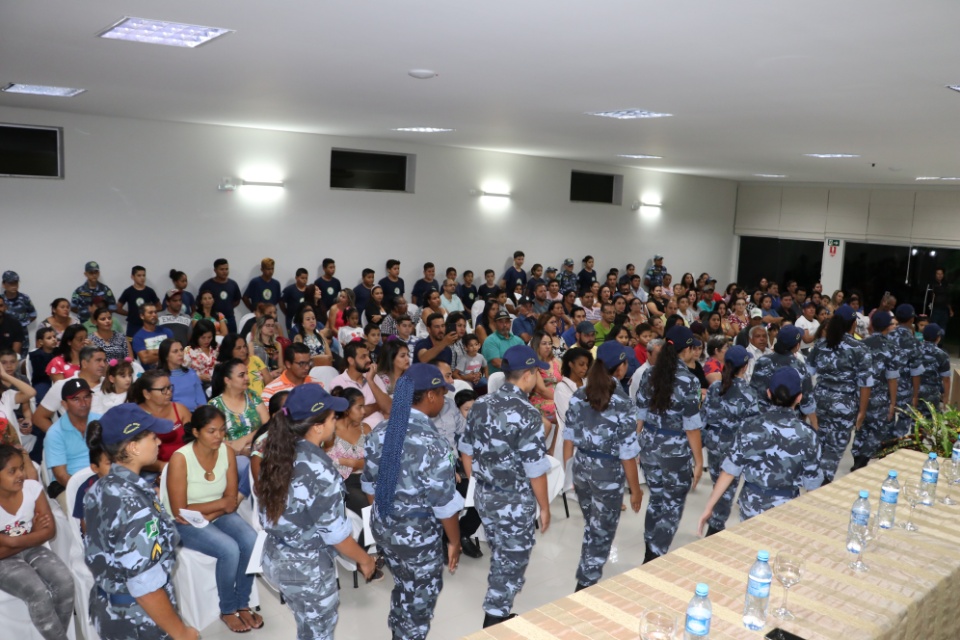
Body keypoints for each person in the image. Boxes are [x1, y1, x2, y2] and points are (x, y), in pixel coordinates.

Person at [362, 364, 463, 640]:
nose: (444, 399)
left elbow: (370, 484)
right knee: (420, 600)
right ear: (430, 395)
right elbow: (444, 504)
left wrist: (387, 519)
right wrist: (453, 541)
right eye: (443, 393)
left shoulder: (381, 431)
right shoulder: (434, 443)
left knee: (404, 586)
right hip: (417, 537)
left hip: (384, 526)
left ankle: (399, 630)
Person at [83, 403, 199, 640]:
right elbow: (144, 585)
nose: (159, 442)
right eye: (154, 437)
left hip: (112, 609)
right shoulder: (133, 504)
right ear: (133, 447)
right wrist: (181, 632)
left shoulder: (103, 486)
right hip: (139, 619)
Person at [459, 345, 550, 628]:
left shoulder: (481, 403)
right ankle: (494, 621)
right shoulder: (528, 414)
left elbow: (465, 449)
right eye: (537, 373)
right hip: (514, 501)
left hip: (485, 495)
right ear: (529, 375)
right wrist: (545, 507)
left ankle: (500, 611)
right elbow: (535, 470)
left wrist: (482, 479)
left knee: (501, 553)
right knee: (511, 561)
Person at [163, 405, 261, 633]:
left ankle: (242, 603)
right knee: (229, 549)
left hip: (214, 515)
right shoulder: (181, 459)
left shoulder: (226, 452)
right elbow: (180, 510)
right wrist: (219, 506)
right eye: (211, 431)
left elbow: (231, 499)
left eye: (222, 430)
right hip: (182, 523)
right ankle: (227, 609)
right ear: (196, 432)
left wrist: (210, 513)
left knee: (251, 540)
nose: (219, 436)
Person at [696, 368, 823, 533]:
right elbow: (812, 484)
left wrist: (709, 507)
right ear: (799, 398)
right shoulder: (808, 435)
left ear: (769, 393)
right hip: (786, 507)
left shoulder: (749, 427)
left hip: (751, 505)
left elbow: (729, 471)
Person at [564, 341, 643, 591]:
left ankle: (587, 567)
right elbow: (627, 454)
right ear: (620, 367)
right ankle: (585, 585)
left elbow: (569, 436)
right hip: (606, 474)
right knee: (601, 531)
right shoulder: (622, 403)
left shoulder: (579, 394)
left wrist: (571, 473)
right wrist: (636, 490)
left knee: (593, 524)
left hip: (582, 469)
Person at [636, 325, 704, 563]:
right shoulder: (689, 381)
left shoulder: (649, 373)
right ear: (685, 350)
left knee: (656, 497)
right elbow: (691, 426)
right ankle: (655, 556)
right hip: (674, 450)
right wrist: (698, 460)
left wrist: (637, 445)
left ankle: (649, 547)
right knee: (673, 502)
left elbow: (640, 414)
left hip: (649, 445)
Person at [0, 443, 75, 640]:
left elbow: (49, 531)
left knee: (64, 581)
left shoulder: (32, 489)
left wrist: (12, 542)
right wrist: (32, 533)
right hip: (5, 561)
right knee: (37, 592)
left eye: (22, 467)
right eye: (12, 471)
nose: (21, 475)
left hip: (30, 549)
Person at [808, 305, 873, 484]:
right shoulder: (859, 348)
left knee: (818, 443)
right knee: (834, 450)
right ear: (853, 324)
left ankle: (812, 479)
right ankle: (822, 483)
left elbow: (808, 373)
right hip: (844, 406)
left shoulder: (821, 344)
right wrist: (862, 412)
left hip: (820, 401)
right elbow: (865, 384)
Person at [699, 345, 759, 536]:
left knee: (718, 482)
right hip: (733, 447)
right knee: (727, 488)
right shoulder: (749, 393)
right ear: (745, 366)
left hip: (713, 443)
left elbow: (704, 416)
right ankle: (715, 527)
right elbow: (753, 427)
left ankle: (715, 517)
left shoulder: (715, 386)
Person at [851, 310, 899, 470]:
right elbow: (892, 378)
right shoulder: (891, 347)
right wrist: (893, 402)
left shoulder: (861, 344)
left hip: (860, 394)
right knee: (877, 428)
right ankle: (863, 458)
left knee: (861, 425)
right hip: (879, 396)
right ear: (887, 327)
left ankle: (857, 454)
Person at [44, 378, 102, 508]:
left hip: (101, 479)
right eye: (76, 399)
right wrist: (85, 491)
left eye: (87, 397)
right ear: (64, 404)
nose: (83, 403)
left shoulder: (101, 421)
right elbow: (60, 475)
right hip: (68, 485)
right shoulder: (55, 433)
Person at [749, 325, 818, 425]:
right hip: (789, 423)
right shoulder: (800, 367)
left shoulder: (762, 361)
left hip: (761, 420)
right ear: (797, 345)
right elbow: (807, 405)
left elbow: (752, 391)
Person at [33, 346, 106, 434]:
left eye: (104, 361)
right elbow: (38, 418)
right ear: (84, 363)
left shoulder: (112, 384)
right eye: (98, 360)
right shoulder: (62, 385)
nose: (103, 364)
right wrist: (61, 437)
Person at [132, 369, 191, 472]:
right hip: (151, 472)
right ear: (147, 394)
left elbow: (195, 441)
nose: (169, 392)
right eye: (163, 389)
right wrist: (163, 467)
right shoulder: (136, 415)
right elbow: (135, 456)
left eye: (169, 387)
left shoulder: (181, 409)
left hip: (185, 466)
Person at [889, 304, 924, 440]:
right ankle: (895, 441)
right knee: (905, 417)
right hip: (904, 388)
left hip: (886, 387)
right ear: (911, 320)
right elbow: (916, 372)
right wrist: (915, 395)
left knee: (887, 416)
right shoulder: (914, 342)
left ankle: (885, 442)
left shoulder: (887, 336)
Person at [329, 341, 385, 427]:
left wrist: (370, 380)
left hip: (382, 429)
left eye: (368, 355)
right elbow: (349, 416)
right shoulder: (338, 382)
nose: (369, 360)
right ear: (351, 361)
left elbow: (388, 407)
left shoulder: (373, 376)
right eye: (363, 357)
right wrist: (378, 405)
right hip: (357, 434)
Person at [159, 339, 206, 411]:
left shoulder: (191, 373)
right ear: (166, 356)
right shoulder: (159, 377)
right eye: (175, 351)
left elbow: (202, 401)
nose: (180, 354)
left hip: (195, 416)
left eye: (181, 350)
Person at [117, 266, 160, 339]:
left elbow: (159, 306)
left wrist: (150, 313)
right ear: (132, 277)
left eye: (144, 275)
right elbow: (118, 308)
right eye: (139, 275)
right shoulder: (128, 291)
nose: (142, 278)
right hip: (133, 326)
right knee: (131, 346)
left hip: (148, 324)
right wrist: (129, 313)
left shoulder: (150, 291)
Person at [200, 259, 242, 334]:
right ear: (215, 270)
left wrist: (228, 306)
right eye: (221, 269)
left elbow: (237, 300)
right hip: (213, 319)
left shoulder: (233, 284)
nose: (225, 272)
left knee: (232, 341)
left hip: (230, 319)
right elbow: (200, 301)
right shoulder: (207, 285)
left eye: (226, 269)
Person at [918, 323, 951, 416]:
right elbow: (946, 379)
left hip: (914, 392)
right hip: (932, 394)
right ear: (938, 338)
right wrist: (946, 398)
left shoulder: (915, 350)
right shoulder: (942, 354)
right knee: (931, 422)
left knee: (916, 419)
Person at [480, 309, 526, 375]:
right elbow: (496, 362)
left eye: (507, 322)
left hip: (518, 376)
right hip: (499, 379)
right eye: (501, 322)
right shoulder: (490, 340)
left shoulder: (518, 340)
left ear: (510, 324)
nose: (504, 325)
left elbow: (526, 358)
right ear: (495, 324)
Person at [1, 271, 36, 352]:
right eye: (10, 283)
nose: (14, 286)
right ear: (4, 284)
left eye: (16, 283)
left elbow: (33, 314)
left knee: (20, 360)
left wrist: (23, 323)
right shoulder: (1, 300)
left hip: (22, 336)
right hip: (4, 336)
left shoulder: (24, 298)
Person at [133, 303, 174, 369]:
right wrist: (165, 352)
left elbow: (173, 352)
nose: (154, 315)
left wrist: (152, 352)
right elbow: (145, 360)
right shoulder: (138, 337)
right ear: (142, 316)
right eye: (150, 313)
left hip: (169, 371)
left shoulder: (167, 332)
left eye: (155, 312)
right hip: (151, 375)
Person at [184, 319, 218, 386]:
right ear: (196, 336)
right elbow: (183, 373)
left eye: (209, 337)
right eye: (203, 338)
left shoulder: (217, 348)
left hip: (217, 385)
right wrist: (199, 377)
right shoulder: (188, 350)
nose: (206, 340)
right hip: (197, 385)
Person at [28, 327, 58, 403]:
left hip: (58, 380)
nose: (54, 339)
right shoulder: (36, 355)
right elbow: (41, 372)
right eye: (49, 338)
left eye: (54, 337)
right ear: (40, 342)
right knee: (43, 399)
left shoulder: (58, 352)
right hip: (42, 382)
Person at [280, 268, 310, 336]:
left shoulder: (309, 290)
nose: (304, 280)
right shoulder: (289, 289)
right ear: (296, 278)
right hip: (291, 319)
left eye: (306, 278)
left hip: (305, 319)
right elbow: (281, 301)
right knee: (293, 337)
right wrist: (286, 312)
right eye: (302, 278)